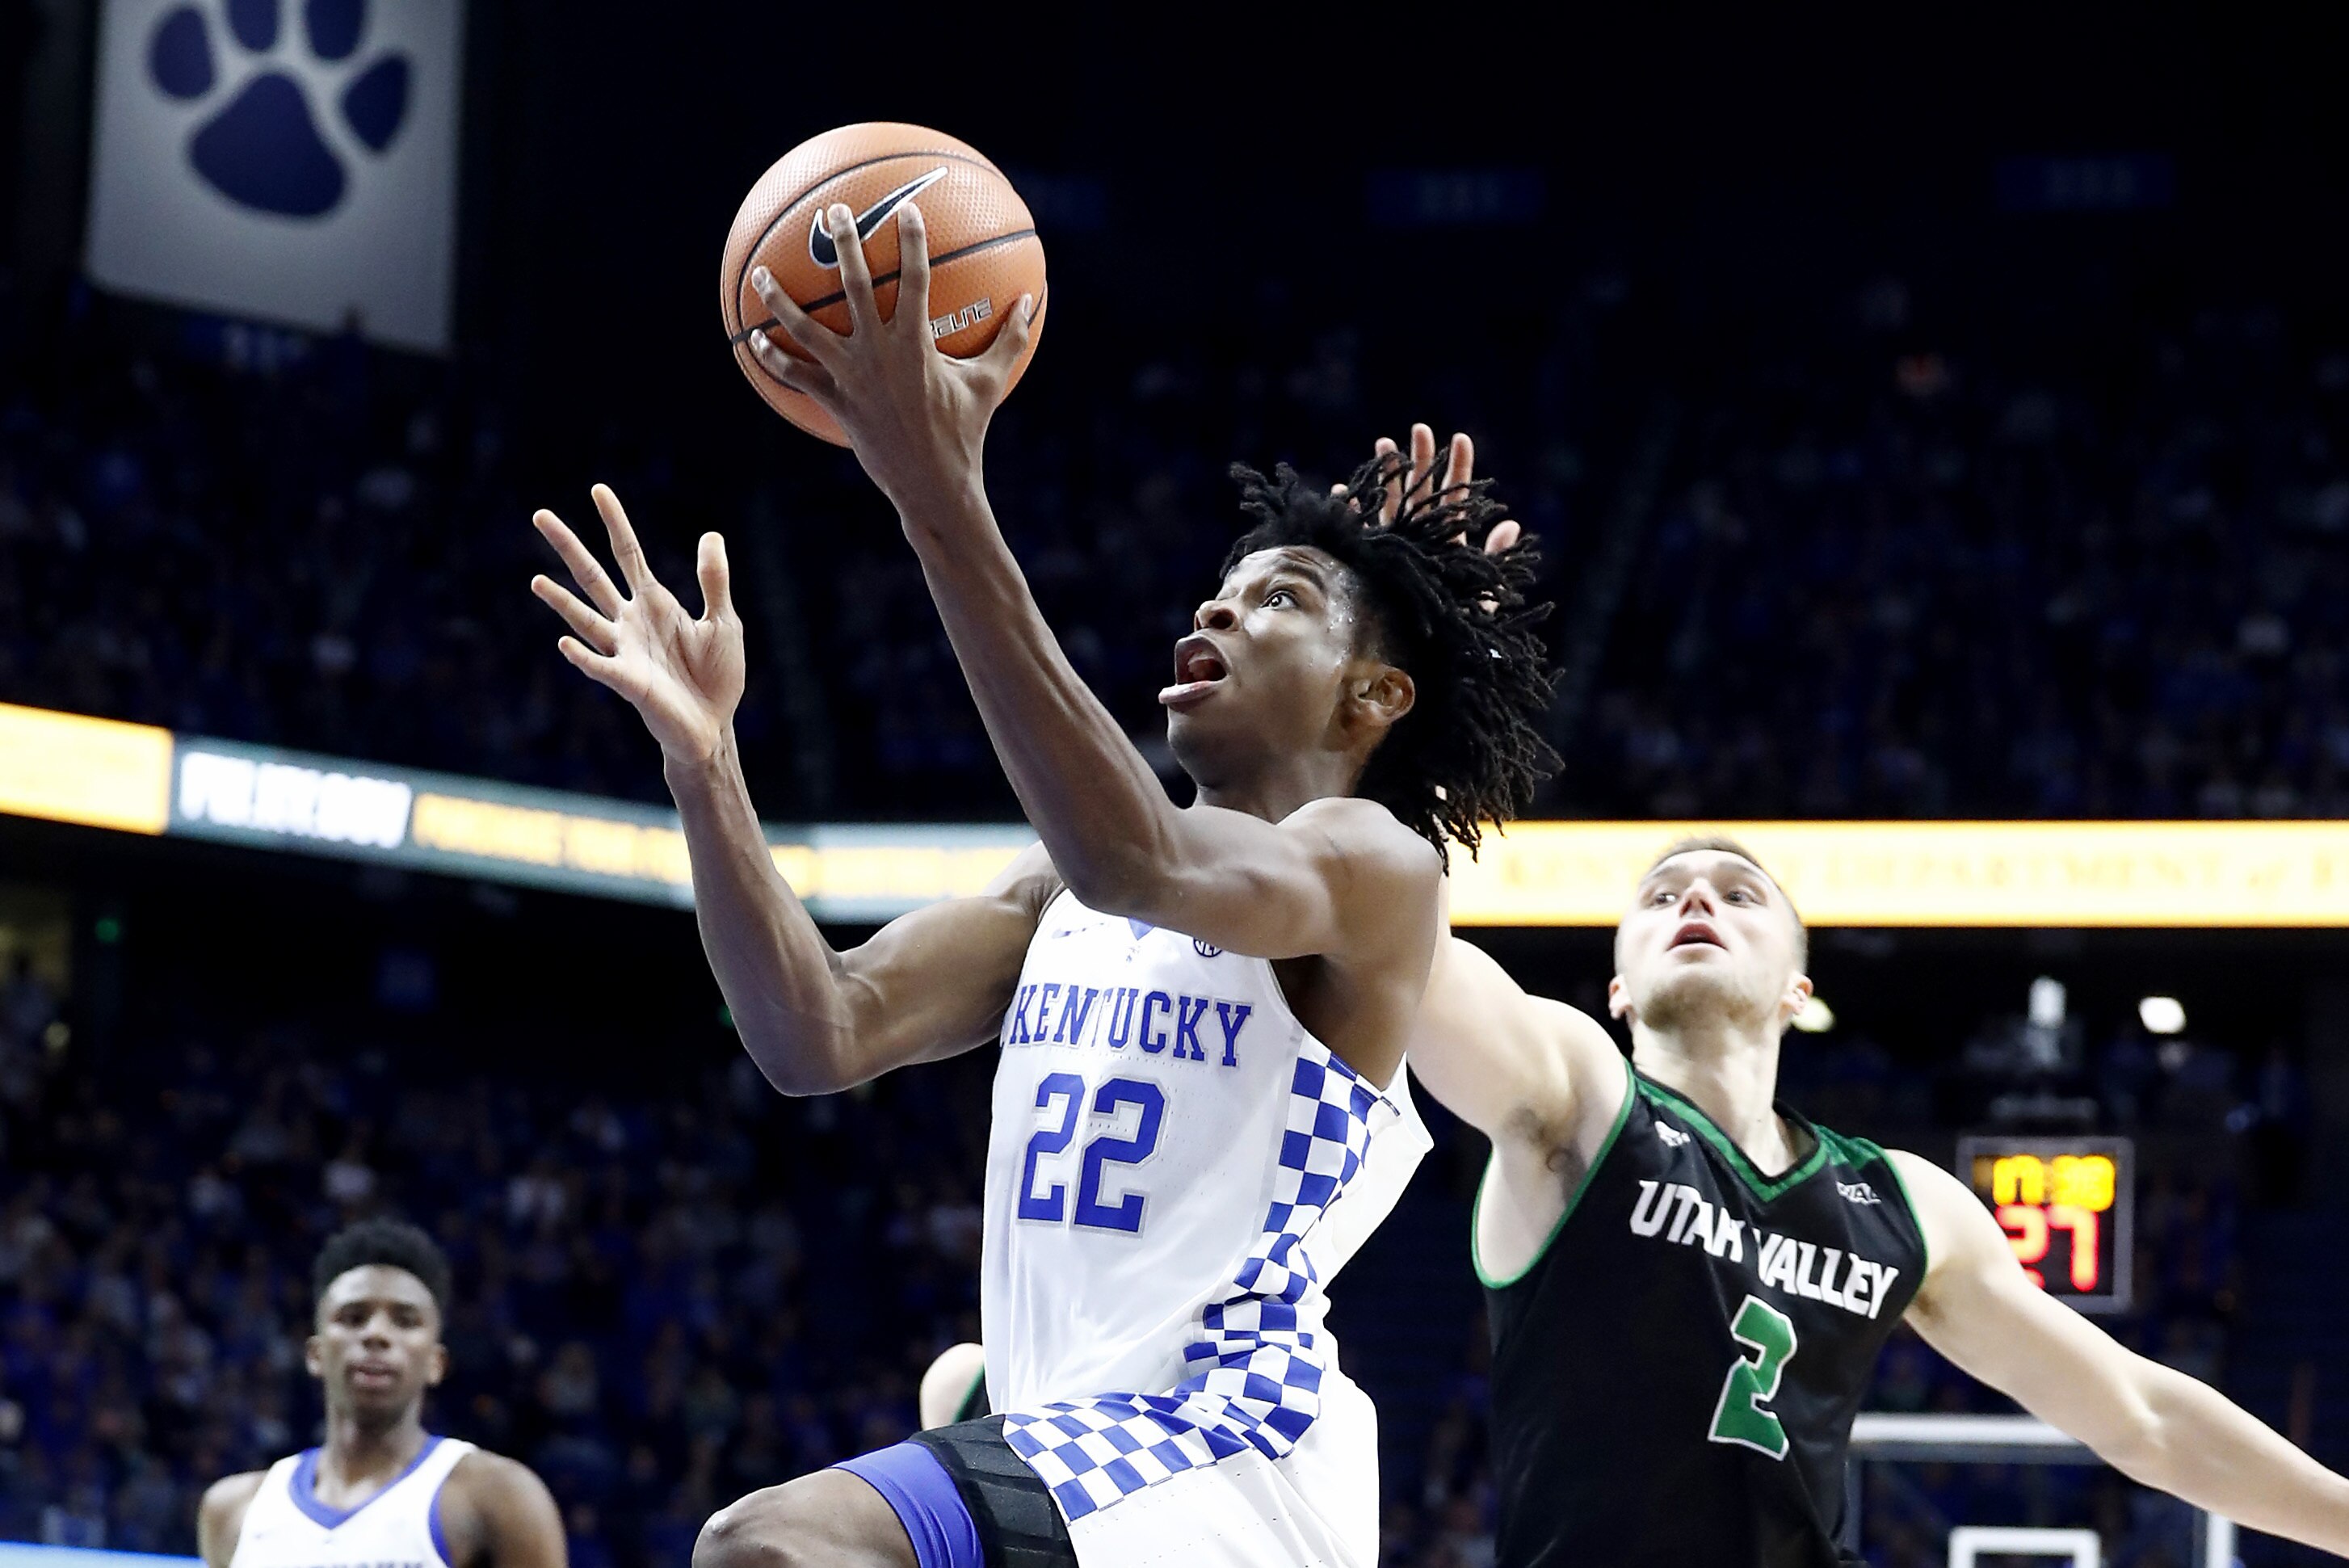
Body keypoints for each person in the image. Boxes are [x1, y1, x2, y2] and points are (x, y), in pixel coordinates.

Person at [523, 197, 1556, 1566]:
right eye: (1221, 588)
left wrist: (934, 489)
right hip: (1074, 1446)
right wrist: (705, 763)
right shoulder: (1052, 897)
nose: (1218, 607)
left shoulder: (1375, 869)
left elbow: (1140, 857)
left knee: (772, 1544)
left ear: (1372, 696)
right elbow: (814, 1033)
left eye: (1282, 598)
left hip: (1224, 1447)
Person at [1406, 830, 2349, 1565]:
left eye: (1740, 894)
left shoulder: (1901, 1202)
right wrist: (1413, 734)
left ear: (1797, 989)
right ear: (1617, 988)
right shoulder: (1575, 1098)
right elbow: (1412, 956)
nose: (1694, 898)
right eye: (1659, 897)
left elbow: (2141, 1416)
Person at [197, 1219, 565, 1568]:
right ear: (315, 1354)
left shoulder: (499, 1496)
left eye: (405, 1321)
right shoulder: (233, 1510)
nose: (376, 1334)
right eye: (353, 1317)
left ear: (436, 1363)